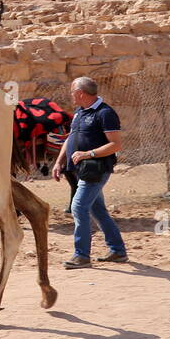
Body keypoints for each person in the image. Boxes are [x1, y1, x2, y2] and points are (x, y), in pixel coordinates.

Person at [53, 76, 127, 268]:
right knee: (97, 210)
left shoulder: (105, 113)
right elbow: (71, 138)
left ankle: (82, 255)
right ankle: (118, 251)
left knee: (78, 207)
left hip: (96, 170)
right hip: (81, 170)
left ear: (80, 93)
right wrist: (59, 161)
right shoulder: (80, 112)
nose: (71, 96)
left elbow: (116, 144)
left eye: (72, 92)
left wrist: (89, 153)